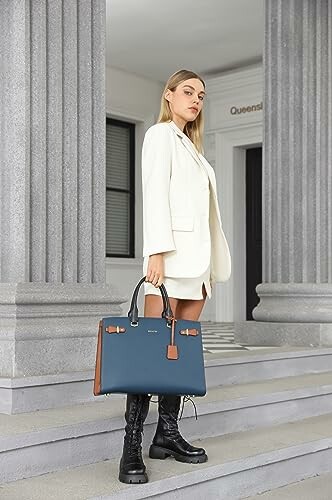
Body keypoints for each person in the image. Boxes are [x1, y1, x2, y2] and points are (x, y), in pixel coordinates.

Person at [118, 69, 231, 484]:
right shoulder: (161, 135)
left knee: (178, 356)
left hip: (197, 268)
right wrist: (156, 255)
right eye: (188, 91)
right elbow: (154, 195)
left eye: (201, 94)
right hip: (168, 262)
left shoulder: (195, 150)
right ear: (168, 95)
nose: (196, 99)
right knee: (150, 354)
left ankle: (167, 434)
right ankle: (131, 448)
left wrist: (209, 267)